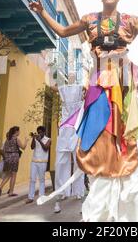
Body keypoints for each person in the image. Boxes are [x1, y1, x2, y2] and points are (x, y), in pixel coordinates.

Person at [31, 0, 138, 221]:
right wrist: (43, 12)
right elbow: (63, 31)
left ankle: (125, 189)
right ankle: (102, 183)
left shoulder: (129, 21)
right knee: (98, 130)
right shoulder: (89, 19)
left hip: (122, 84)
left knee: (124, 133)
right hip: (99, 82)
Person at [54, 84, 86, 213]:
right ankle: (61, 192)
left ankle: (79, 191)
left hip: (76, 131)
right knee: (60, 163)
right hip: (64, 132)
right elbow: (52, 85)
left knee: (79, 163)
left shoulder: (80, 100)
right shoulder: (63, 100)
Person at [0, 126, 29, 197]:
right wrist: (26, 141)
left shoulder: (7, 139)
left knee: (8, 174)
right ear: (16, 132)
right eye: (19, 131)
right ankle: (11, 191)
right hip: (14, 158)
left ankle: (0, 186)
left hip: (7, 158)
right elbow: (23, 147)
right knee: (14, 175)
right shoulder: (16, 139)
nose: (19, 132)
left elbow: (4, 149)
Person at [26, 126, 51, 204]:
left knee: (42, 180)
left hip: (43, 162)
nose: (39, 133)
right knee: (32, 179)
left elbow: (46, 148)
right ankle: (30, 197)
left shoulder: (48, 139)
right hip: (34, 161)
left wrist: (40, 141)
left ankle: (41, 196)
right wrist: (34, 138)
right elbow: (32, 147)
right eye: (38, 132)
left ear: (44, 132)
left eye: (41, 132)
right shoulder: (36, 138)